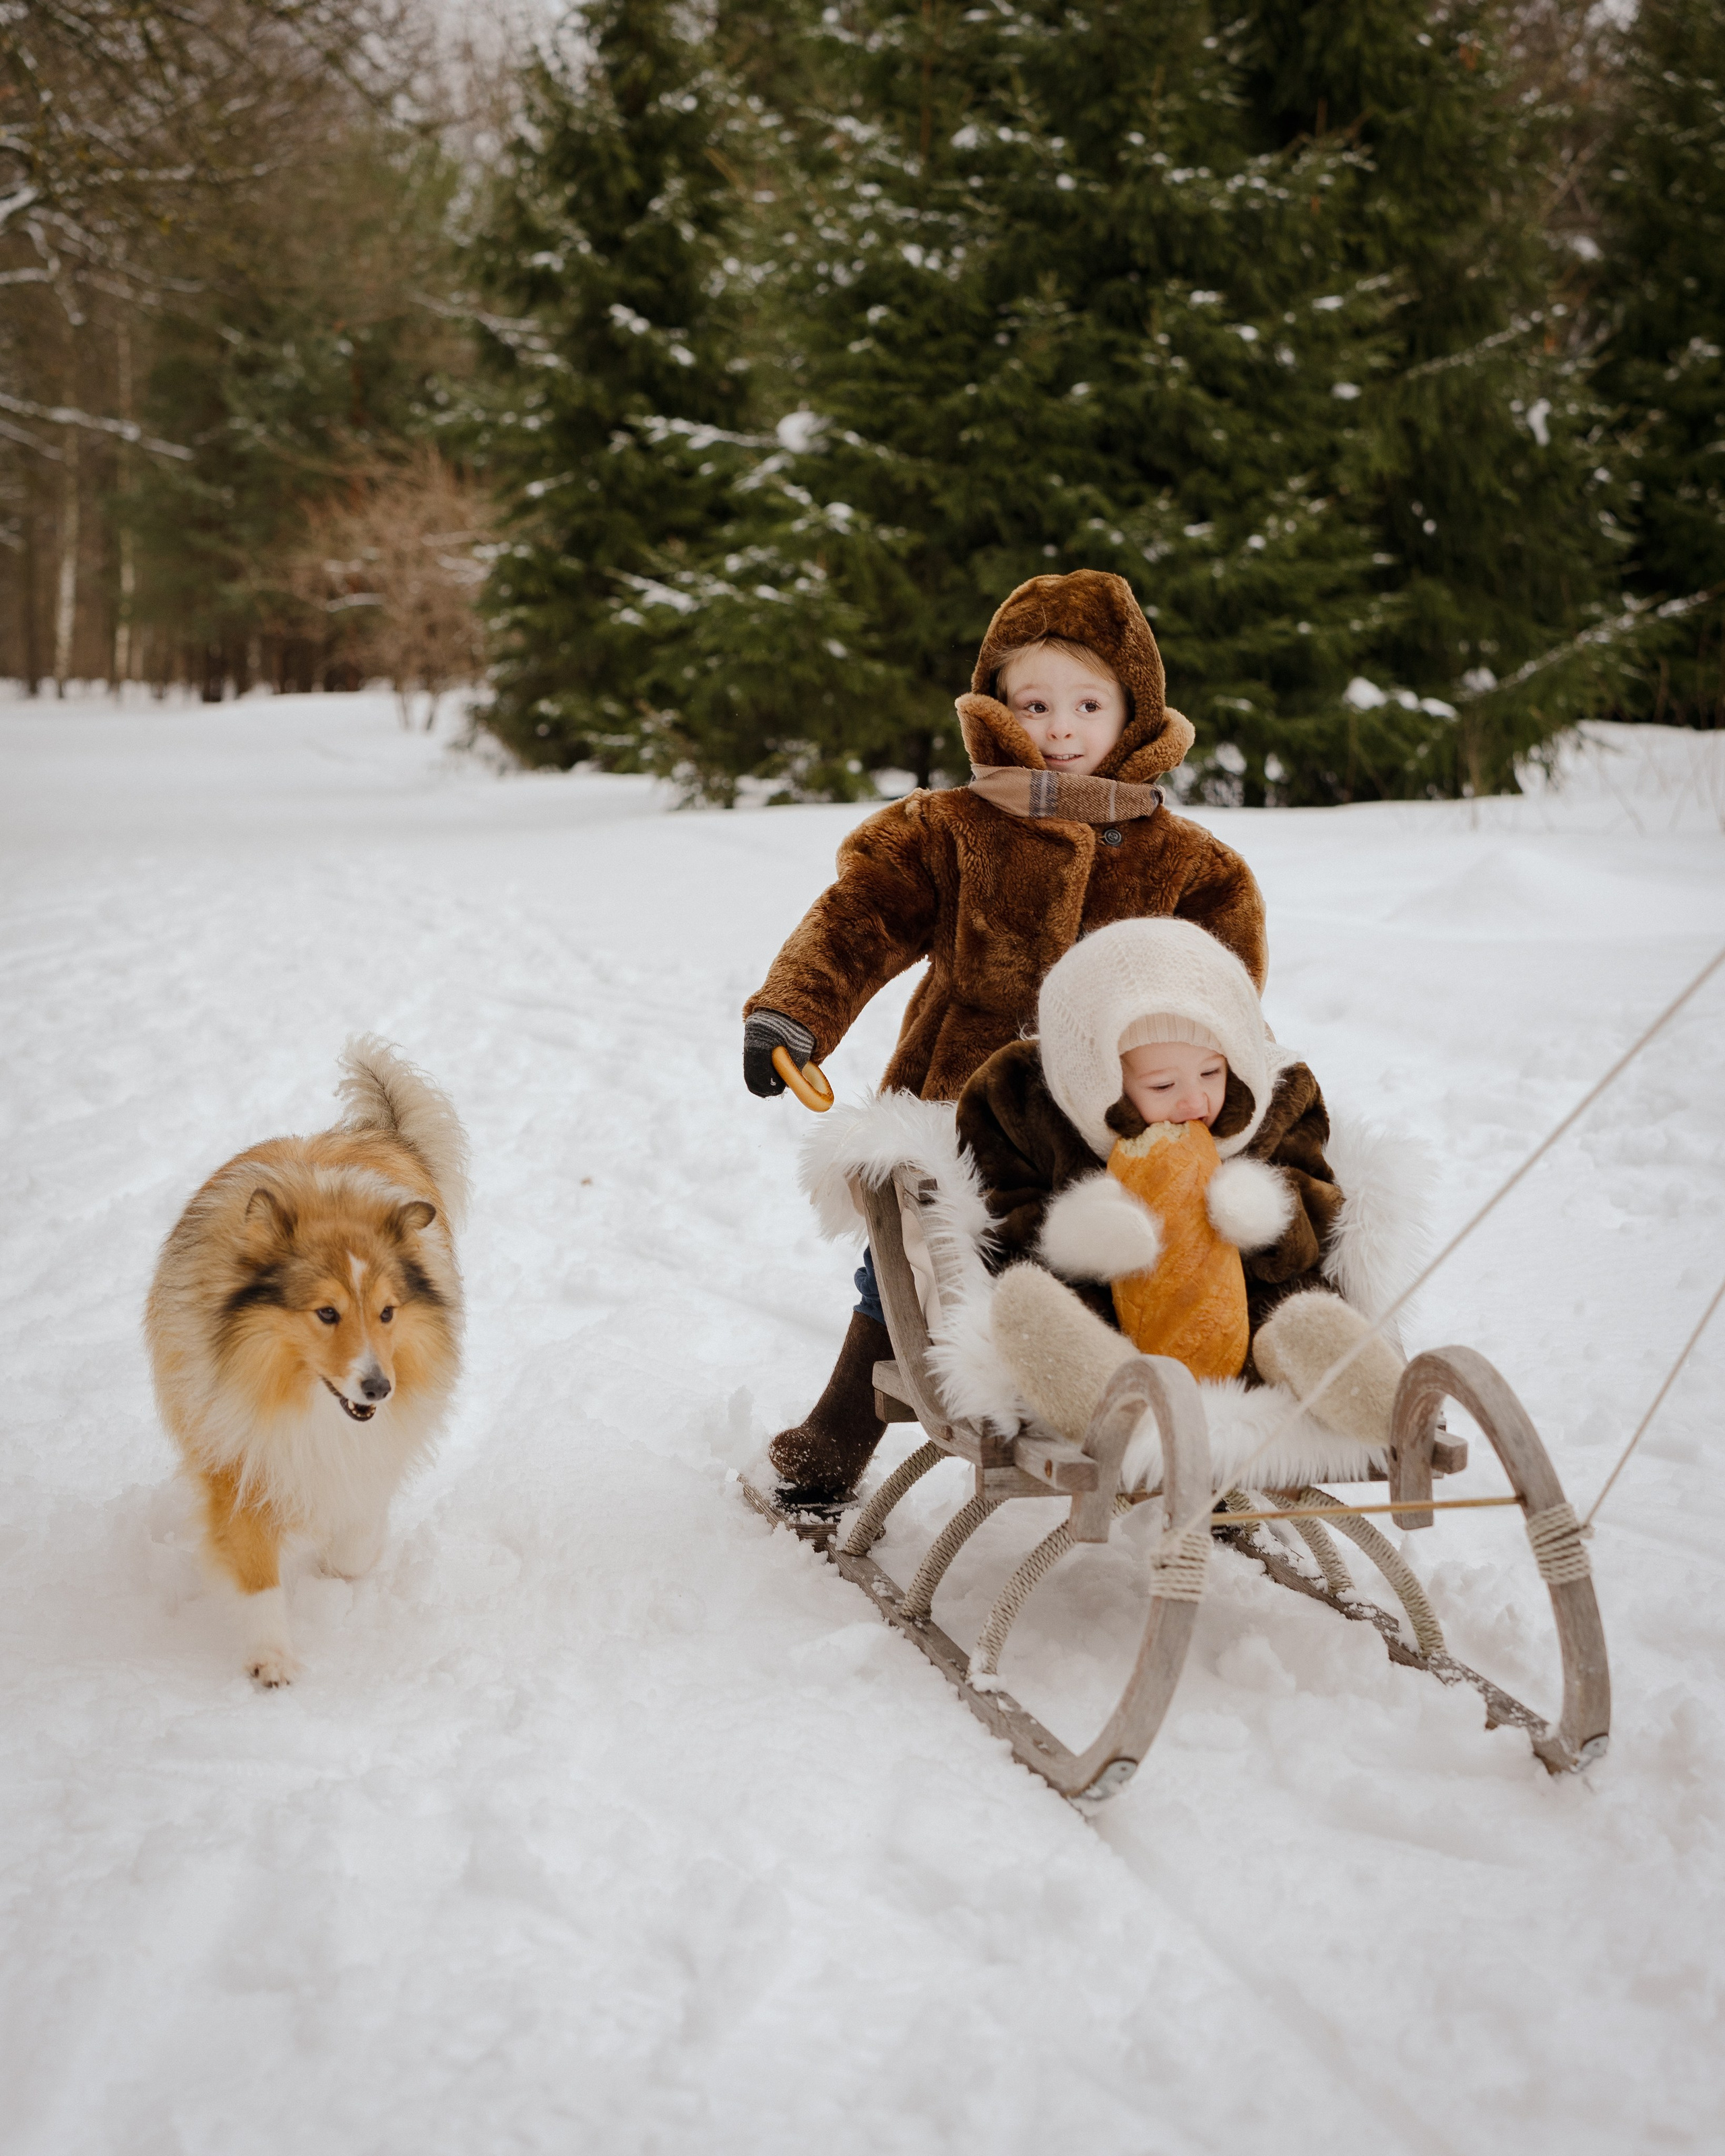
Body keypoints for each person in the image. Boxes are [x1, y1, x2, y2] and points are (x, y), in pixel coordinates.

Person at [743, 567, 1268, 1504]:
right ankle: (835, 1438)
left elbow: (1224, 994)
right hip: (962, 1107)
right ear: (998, 708)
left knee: (1156, 1260)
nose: (1059, 729)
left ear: (1133, 714)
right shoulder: (950, 829)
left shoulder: (1190, 864)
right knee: (908, 1266)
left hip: (1125, 1119)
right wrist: (794, 1013)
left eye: (1086, 704)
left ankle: (1196, 1437)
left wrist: (1219, 1086)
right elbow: (859, 918)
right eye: (1035, 704)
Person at [957, 916, 1405, 1452]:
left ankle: (1312, 1355)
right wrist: (1081, 1236)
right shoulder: (1022, 1100)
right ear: (1097, 1076)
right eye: (1163, 1084)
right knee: (1030, 1300)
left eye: (1212, 1074)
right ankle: (1106, 1387)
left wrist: (1265, 1209)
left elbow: (1321, 1206)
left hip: (1255, 1306)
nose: (1194, 1102)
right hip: (1102, 1315)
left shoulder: (1280, 1099)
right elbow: (1002, 1219)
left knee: (1295, 1307)